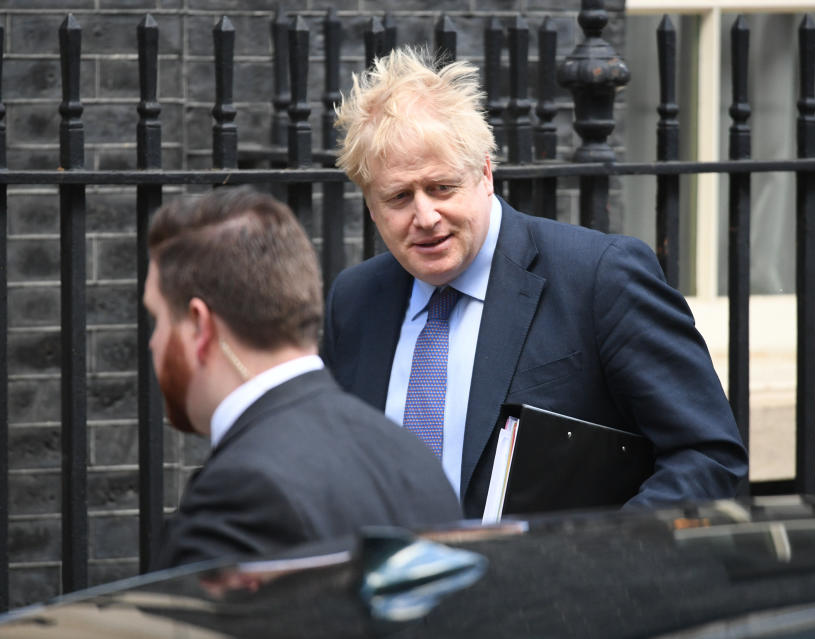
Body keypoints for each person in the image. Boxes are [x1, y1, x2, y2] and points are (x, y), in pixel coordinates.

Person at [322, 46, 749, 519]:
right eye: (399, 197)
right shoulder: (354, 301)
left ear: (485, 173)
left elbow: (710, 458)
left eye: (442, 187)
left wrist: (598, 560)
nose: (425, 216)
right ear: (370, 204)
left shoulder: (599, 277)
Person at [144, 187, 461, 569]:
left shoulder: (240, 492)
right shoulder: (411, 456)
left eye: (158, 319)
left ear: (199, 325)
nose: (154, 343)